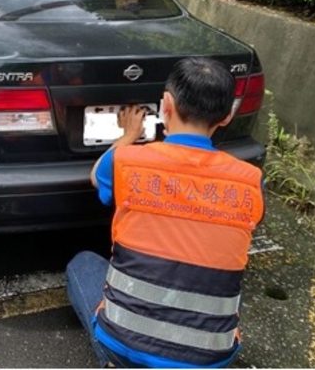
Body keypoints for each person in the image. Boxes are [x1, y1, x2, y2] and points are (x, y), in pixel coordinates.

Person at [66, 58, 264, 368]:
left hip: (123, 349)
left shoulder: (126, 162)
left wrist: (129, 135)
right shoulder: (250, 181)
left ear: (166, 104)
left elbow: (96, 177)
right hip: (211, 360)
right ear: (226, 116)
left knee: (83, 264)